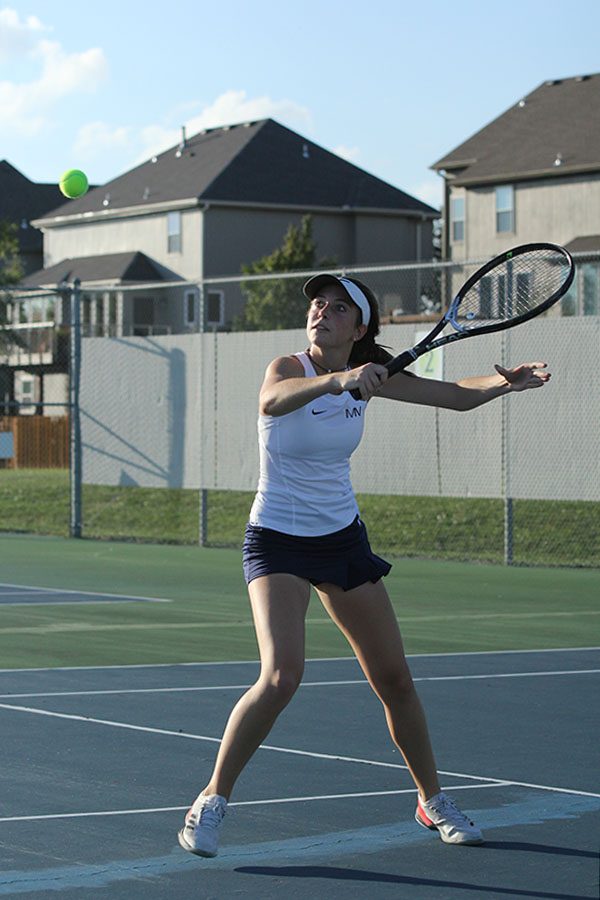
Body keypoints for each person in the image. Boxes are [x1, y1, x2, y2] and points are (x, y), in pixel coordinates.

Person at [178, 273, 551, 858]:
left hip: (342, 542)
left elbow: (452, 393)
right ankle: (210, 801)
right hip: (276, 539)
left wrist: (503, 385)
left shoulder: (373, 378)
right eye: (317, 304)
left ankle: (432, 800)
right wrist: (340, 380)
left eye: (337, 307)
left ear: (360, 326)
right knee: (281, 676)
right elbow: (271, 401)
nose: (321, 312)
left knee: (395, 680)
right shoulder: (289, 367)